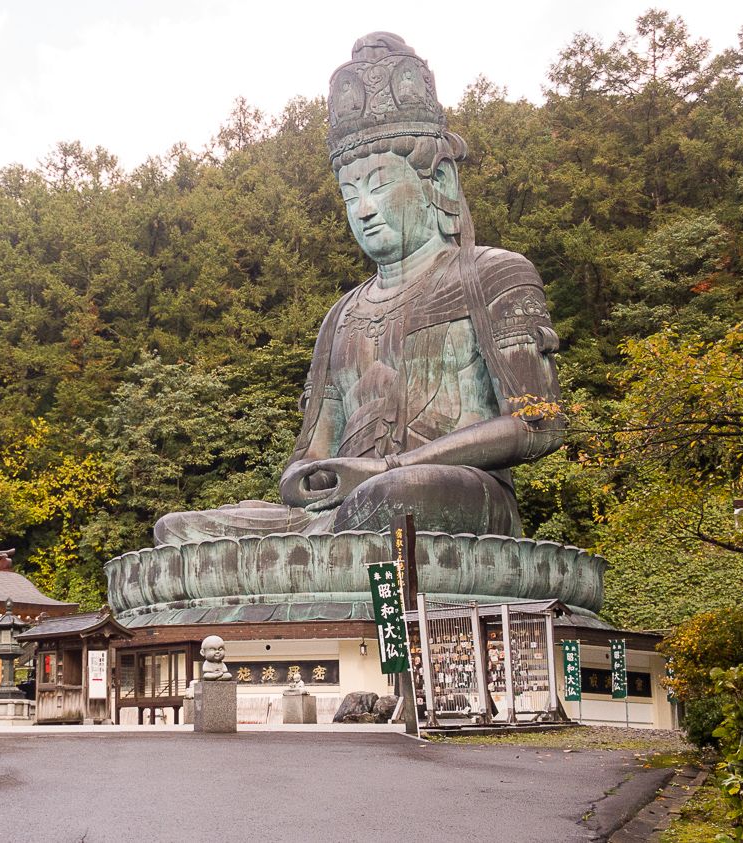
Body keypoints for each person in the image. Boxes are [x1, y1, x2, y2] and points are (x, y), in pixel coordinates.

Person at [151, 32, 564, 545]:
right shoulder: (341, 316)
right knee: (179, 531)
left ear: (440, 183)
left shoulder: (493, 274)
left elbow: (539, 424)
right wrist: (304, 479)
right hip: (348, 505)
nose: (363, 209)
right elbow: (313, 456)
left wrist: (390, 467)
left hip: (452, 492)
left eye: (380, 185)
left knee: (396, 493)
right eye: (351, 194)